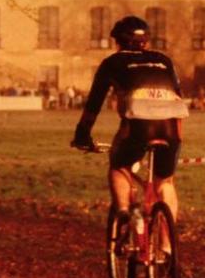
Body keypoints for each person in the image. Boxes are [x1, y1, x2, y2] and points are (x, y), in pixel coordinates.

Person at [71, 15, 189, 231]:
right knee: (166, 182)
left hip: (138, 126)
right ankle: (167, 248)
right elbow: (178, 94)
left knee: (118, 166)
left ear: (118, 42)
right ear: (146, 41)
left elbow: (94, 103)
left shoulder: (112, 63)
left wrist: (82, 134)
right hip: (171, 126)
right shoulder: (164, 60)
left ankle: (125, 213)